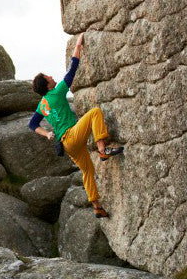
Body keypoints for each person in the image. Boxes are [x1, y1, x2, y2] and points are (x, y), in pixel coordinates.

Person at [27, 32, 123, 218]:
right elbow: (72, 70)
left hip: (67, 145)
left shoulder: (42, 104)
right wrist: (78, 46)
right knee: (95, 112)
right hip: (72, 135)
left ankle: (97, 206)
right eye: (49, 77)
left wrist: (46, 134)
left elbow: (32, 124)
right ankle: (103, 149)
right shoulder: (57, 92)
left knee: (88, 171)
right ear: (47, 85)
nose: (52, 77)